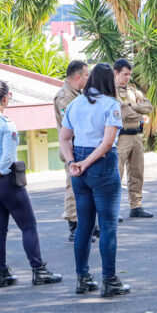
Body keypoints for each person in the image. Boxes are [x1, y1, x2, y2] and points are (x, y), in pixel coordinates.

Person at [0, 80, 63, 288]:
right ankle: (38, 269)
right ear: (5, 97)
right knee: (28, 225)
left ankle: (1, 273)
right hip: (3, 180)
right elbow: (7, 159)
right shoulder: (6, 123)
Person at [60, 63, 129, 298]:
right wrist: (86, 163)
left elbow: (64, 138)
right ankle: (109, 280)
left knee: (84, 226)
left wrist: (73, 163)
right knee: (108, 225)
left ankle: (82, 277)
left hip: (79, 163)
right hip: (100, 164)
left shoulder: (74, 104)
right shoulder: (110, 104)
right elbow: (108, 142)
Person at [114, 58, 154, 218]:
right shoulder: (110, 91)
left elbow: (149, 107)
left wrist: (130, 106)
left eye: (129, 74)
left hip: (136, 135)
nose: (128, 78)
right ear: (116, 73)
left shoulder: (132, 90)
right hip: (121, 136)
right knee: (117, 173)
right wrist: (137, 110)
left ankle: (136, 205)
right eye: (125, 74)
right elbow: (123, 113)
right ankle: (114, 209)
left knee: (137, 172)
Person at [55, 60, 89, 242]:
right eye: (86, 75)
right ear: (77, 77)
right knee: (73, 186)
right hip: (71, 148)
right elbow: (72, 123)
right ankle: (74, 225)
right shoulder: (65, 96)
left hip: (81, 146)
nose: (88, 78)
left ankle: (88, 224)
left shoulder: (77, 94)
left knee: (84, 186)